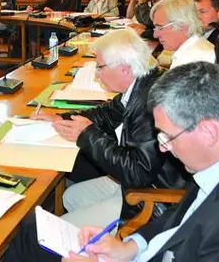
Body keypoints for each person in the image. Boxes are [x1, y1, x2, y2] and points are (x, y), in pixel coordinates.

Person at [4, 62, 219, 262]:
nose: (163, 148)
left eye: (167, 137)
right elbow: (181, 219)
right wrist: (132, 246)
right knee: (29, 227)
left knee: (22, 237)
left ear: (208, 131)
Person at [29, 29, 186, 229]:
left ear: (124, 68)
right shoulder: (141, 84)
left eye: (100, 67)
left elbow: (138, 172)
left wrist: (86, 135)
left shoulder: (151, 103)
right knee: (71, 196)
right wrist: (59, 118)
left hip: (152, 197)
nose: (96, 73)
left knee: (56, 230)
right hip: (137, 182)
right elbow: (106, 114)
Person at [151, 0, 215, 68]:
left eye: (160, 28)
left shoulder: (191, 60)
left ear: (182, 26)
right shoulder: (193, 49)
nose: (155, 35)